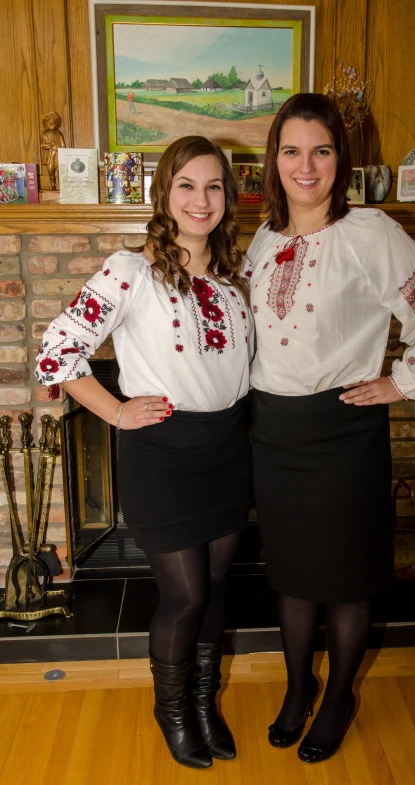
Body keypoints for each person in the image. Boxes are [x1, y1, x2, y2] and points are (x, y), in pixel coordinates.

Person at [247, 93, 415, 763]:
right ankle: (297, 687)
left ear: (341, 159)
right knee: (291, 574)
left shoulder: (370, 233)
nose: (305, 165)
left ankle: (339, 693)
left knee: (344, 577)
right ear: (274, 159)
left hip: (343, 432)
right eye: (292, 150)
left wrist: (401, 381)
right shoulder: (262, 236)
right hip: (274, 432)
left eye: (321, 149)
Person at [35, 136, 254, 770]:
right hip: (162, 453)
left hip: (227, 450)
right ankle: (173, 710)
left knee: (214, 590)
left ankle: (207, 702)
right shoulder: (128, 270)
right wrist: (116, 411)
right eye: (186, 185)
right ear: (164, 193)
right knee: (184, 598)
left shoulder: (235, 276)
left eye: (214, 186)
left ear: (227, 197)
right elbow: (57, 350)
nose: (200, 199)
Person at [40, 112, 66, 190]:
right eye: (50, 122)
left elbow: (63, 146)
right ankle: (53, 187)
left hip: (58, 154)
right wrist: (49, 144)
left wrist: (63, 154)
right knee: (51, 171)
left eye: (53, 122)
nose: (52, 123)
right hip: (50, 155)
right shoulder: (45, 133)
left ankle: (61, 187)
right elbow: (42, 145)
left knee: (59, 171)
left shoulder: (59, 134)